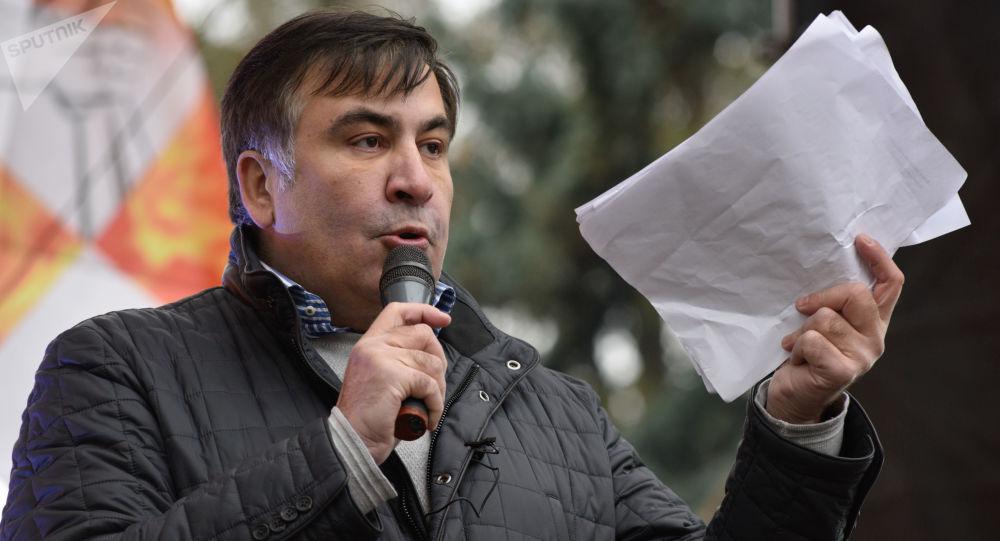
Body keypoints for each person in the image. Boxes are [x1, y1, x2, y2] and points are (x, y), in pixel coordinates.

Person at [0, 10, 902, 540]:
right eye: (366, 140)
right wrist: (340, 456)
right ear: (260, 184)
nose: (415, 179)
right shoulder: (115, 369)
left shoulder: (555, 409)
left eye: (433, 145)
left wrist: (798, 420)